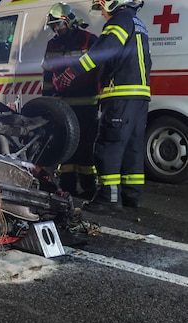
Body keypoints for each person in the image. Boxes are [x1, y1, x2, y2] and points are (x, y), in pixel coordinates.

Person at [53, 0, 150, 212]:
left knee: (109, 146)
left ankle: (109, 198)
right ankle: (132, 196)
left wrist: (72, 72)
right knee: (132, 148)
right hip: (140, 96)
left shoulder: (119, 21)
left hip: (120, 95)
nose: (103, 15)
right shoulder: (137, 22)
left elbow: (105, 50)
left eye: (103, 8)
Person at [41, 2, 99, 199]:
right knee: (65, 148)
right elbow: (48, 76)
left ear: (70, 21)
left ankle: (89, 188)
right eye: (53, 26)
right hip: (63, 107)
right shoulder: (52, 45)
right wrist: (46, 103)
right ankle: (67, 188)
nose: (56, 29)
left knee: (85, 148)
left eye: (59, 24)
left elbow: (101, 70)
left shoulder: (89, 40)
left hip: (87, 104)